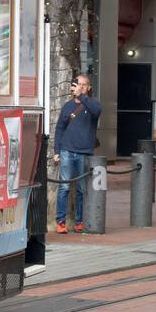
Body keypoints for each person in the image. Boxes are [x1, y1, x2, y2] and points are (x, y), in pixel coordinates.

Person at [53, 74, 102, 233]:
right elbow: (60, 128)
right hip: (67, 149)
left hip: (84, 152)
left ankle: (79, 221)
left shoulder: (93, 104)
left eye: (83, 85)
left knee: (82, 188)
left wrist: (82, 96)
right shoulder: (67, 105)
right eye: (77, 84)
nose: (80, 87)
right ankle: (60, 222)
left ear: (89, 87)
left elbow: (97, 112)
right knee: (64, 187)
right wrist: (56, 151)